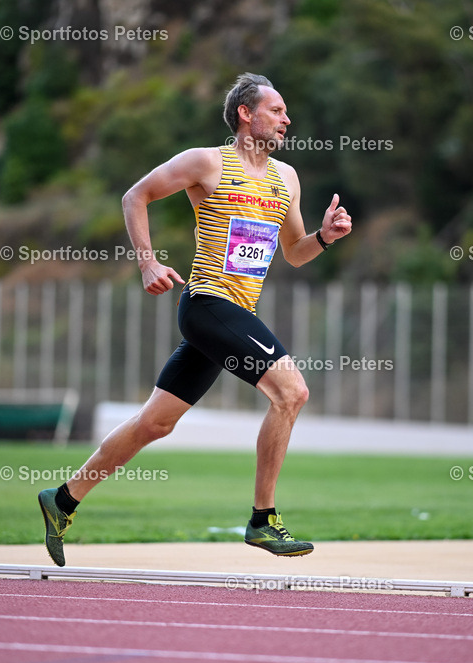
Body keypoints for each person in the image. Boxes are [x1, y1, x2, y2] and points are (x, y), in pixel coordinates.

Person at [37, 73, 352, 565]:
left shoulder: (286, 177)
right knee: (292, 391)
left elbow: (294, 253)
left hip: (233, 316)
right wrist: (147, 261)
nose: (287, 120)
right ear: (246, 115)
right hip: (206, 304)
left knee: (154, 425)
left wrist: (326, 237)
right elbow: (134, 196)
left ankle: (62, 500)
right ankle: (262, 521)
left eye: (287, 112)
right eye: (277, 110)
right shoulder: (207, 161)